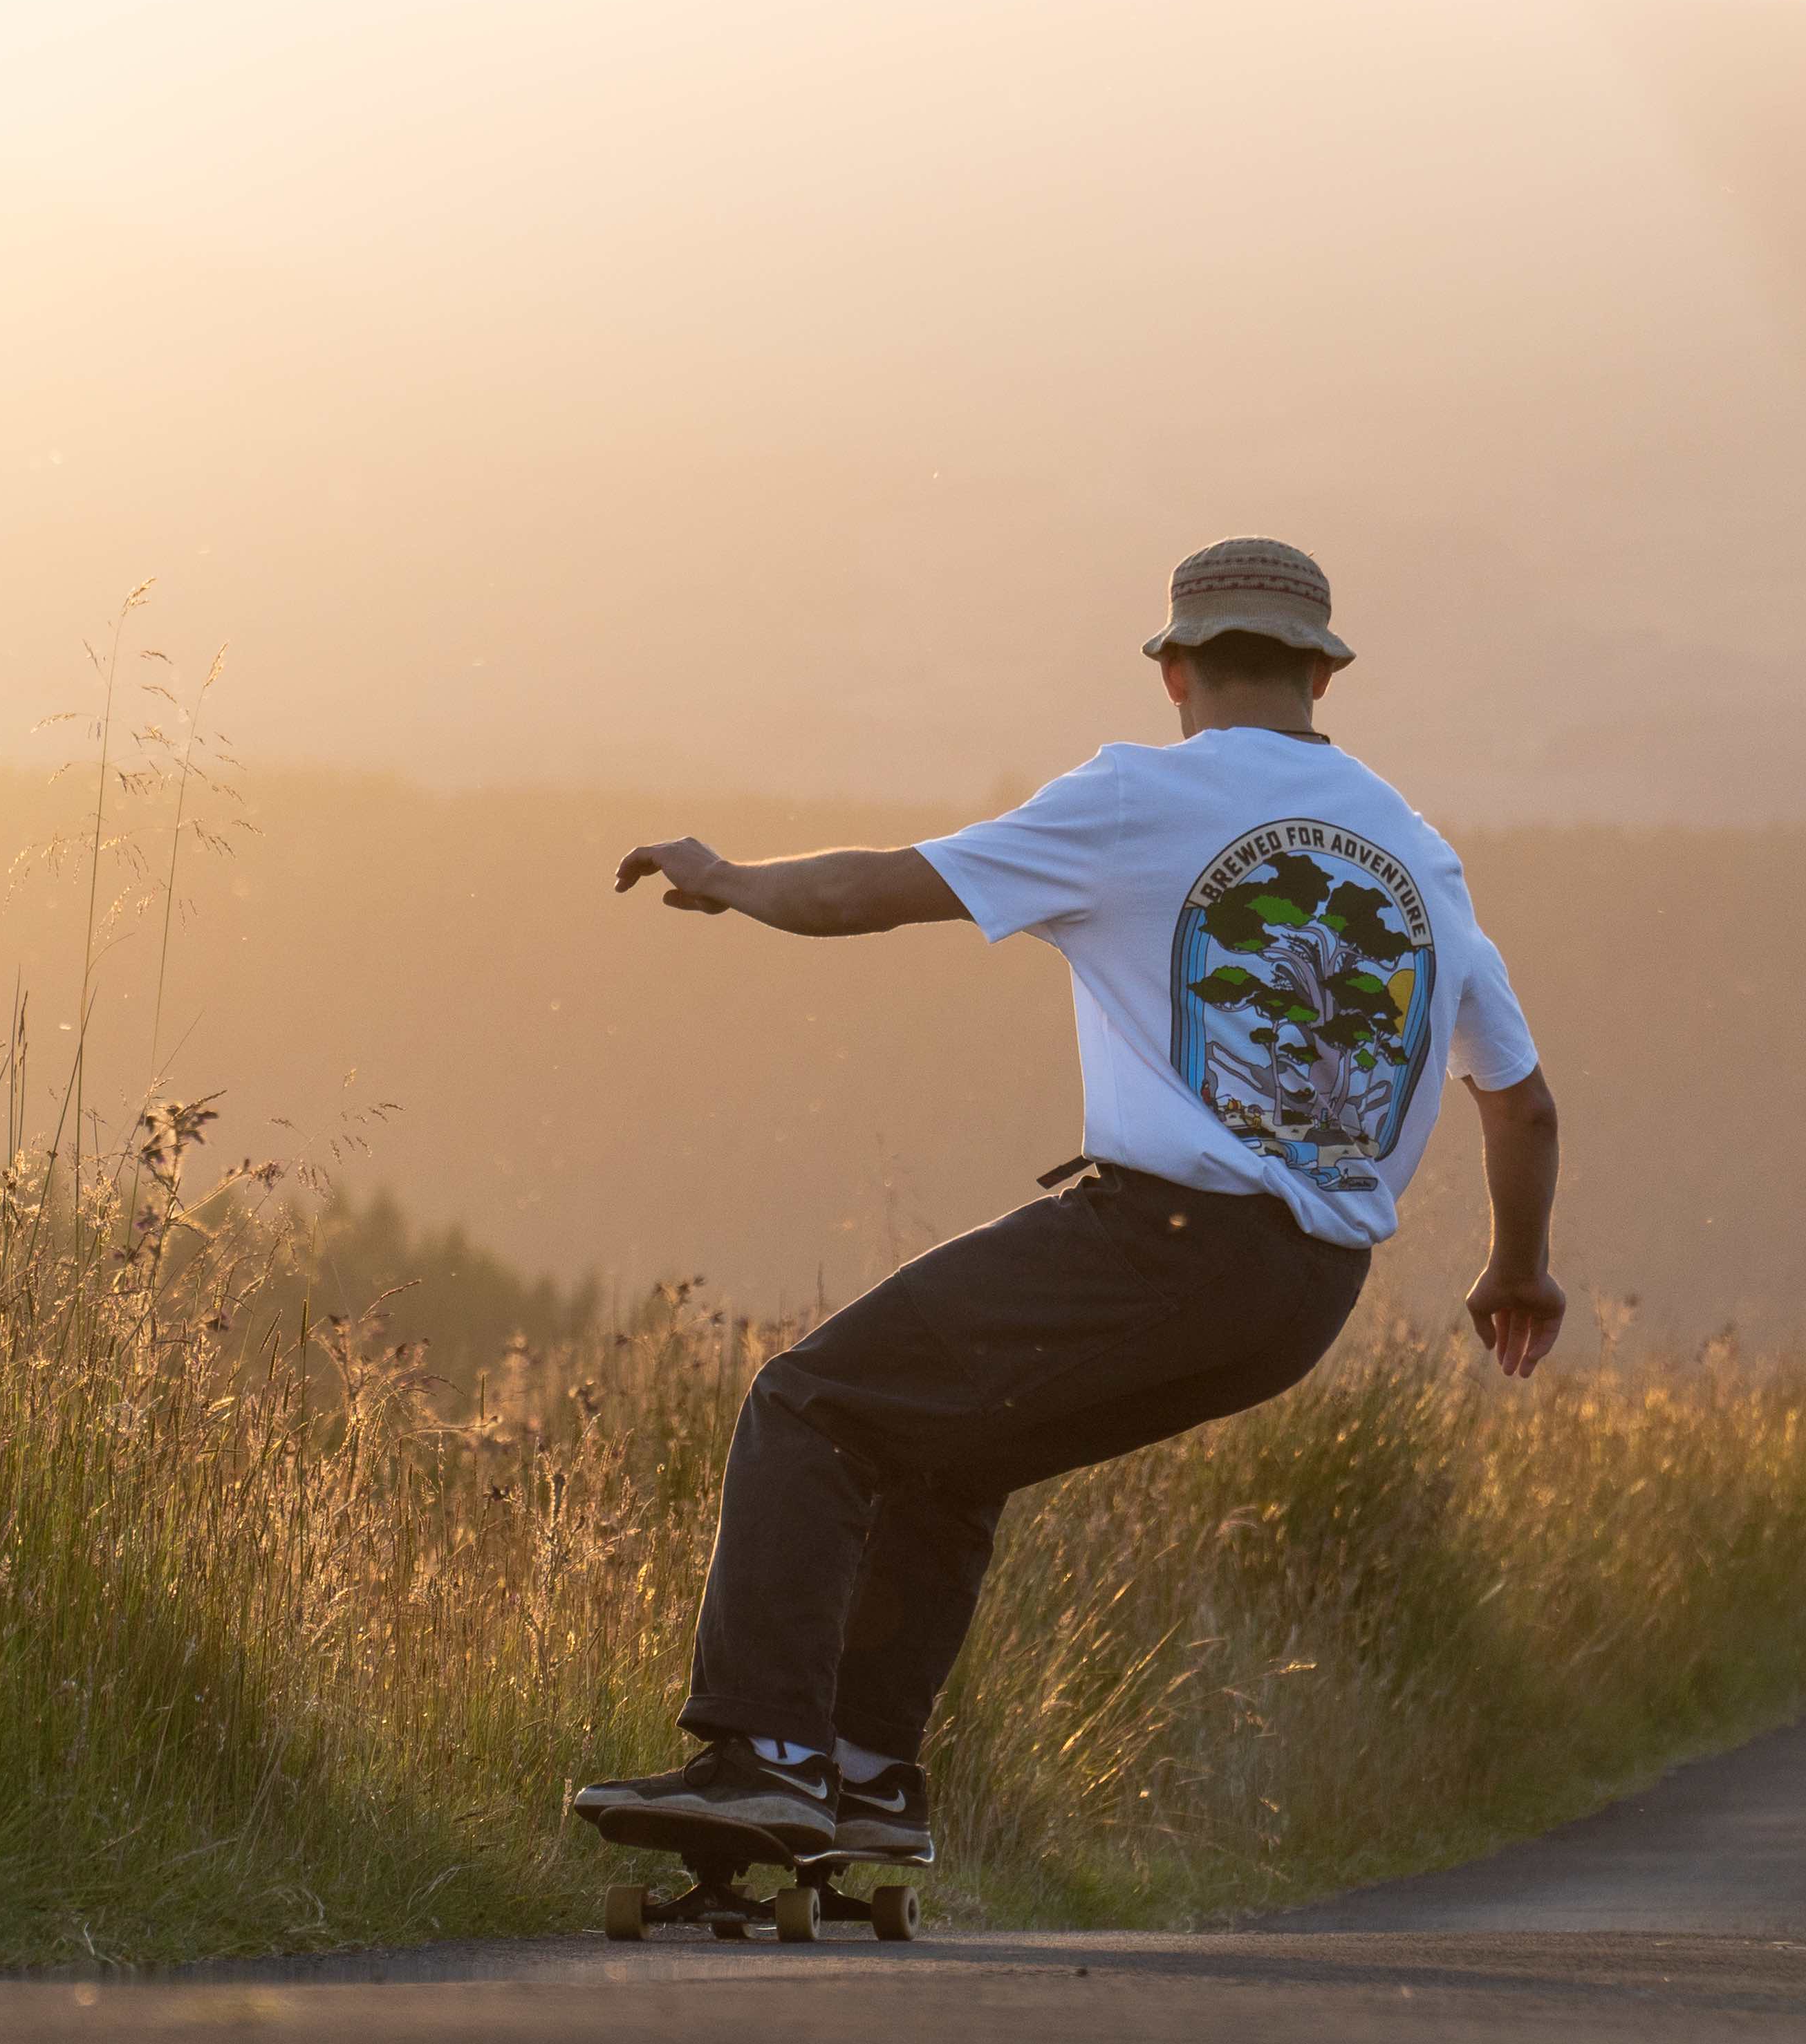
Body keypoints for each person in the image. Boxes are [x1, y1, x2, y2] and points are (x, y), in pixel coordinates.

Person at [571, 536, 1564, 1871]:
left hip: (1164, 1241)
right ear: (1323, 676)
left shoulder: (1133, 800)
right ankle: (865, 1782)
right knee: (944, 1452)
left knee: (811, 1402)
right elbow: (1523, 1100)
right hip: (1303, 1300)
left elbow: (875, 890)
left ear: (1174, 671)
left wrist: (736, 878)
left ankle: (765, 1758)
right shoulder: (1418, 851)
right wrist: (1518, 1269)